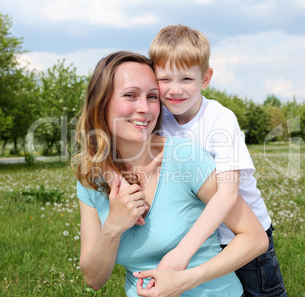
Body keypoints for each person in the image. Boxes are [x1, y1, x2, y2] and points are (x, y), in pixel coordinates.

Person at [72, 50, 268, 297]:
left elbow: (255, 238)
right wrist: (113, 226)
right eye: (130, 95)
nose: (144, 108)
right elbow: (94, 279)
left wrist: (184, 280)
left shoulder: (184, 158)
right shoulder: (92, 177)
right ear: (101, 101)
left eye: (152, 97)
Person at [144, 24, 288, 297]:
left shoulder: (219, 120)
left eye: (186, 79)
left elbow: (227, 194)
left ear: (205, 78)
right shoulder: (159, 120)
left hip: (240, 237)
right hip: (202, 237)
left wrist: (183, 251)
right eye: (164, 79)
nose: (175, 89)